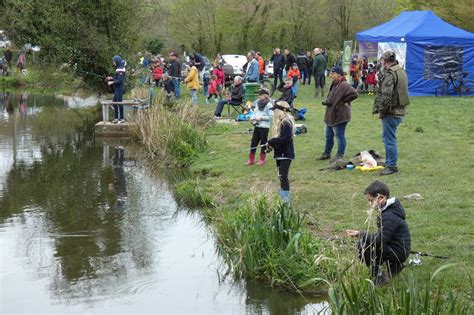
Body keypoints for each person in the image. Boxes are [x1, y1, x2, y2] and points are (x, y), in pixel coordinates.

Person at [346, 180, 411, 286]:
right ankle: (395, 266)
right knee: (366, 243)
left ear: (381, 198)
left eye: (371, 200)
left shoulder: (389, 215)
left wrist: (360, 234)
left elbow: (380, 240)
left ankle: (379, 277)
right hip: (397, 248)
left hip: (399, 252)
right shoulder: (388, 210)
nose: (370, 203)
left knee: (362, 246)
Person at [373, 51, 410, 175]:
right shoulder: (400, 70)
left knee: (389, 139)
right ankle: (389, 162)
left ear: (385, 61)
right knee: (389, 138)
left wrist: (381, 112)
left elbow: (386, 96)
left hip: (391, 112)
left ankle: (392, 166)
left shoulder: (390, 74)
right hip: (399, 110)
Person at [318, 66, 358, 161]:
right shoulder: (335, 83)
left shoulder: (344, 85)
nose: (331, 75)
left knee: (339, 136)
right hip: (331, 114)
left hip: (340, 115)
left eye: (333, 73)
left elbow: (355, 94)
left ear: (339, 75)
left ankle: (340, 155)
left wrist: (344, 101)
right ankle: (327, 153)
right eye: (331, 73)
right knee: (328, 136)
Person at [267, 101, 295, 204]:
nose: (273, 112)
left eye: (275, 110)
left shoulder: (286, 123)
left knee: (283, 176)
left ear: (281, 111)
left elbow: (285, 139)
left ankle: (286, 202)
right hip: (280, 154)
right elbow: (279, 140)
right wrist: (271, 145)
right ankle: (283, 198)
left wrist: (271, 141)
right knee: (280, 176)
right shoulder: (281, 122)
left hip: (285, 154)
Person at [245, 88, 273, 166]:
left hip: (264, 128)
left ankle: (262, 159)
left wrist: (261, 118)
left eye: (260, 95)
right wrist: (252, 118)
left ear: (265, 95)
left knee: (263, 144)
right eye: (258, 95)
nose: (258, 96)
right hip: (257, 126)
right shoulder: (257, 103)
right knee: (253, 142)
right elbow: (255, 112)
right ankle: (251, 159)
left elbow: (271, 117)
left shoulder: (269, 105)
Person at [106, 55, 126, 123]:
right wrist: (111, 78)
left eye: (114, 61)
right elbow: (117, 78)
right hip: (117, 88)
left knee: (119, 103)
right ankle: (116, 118)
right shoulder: (118, 68)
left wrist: (111, 82)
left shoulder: (120, 69)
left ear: (117, 61)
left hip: (120, 88)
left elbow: (120, 80)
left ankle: (122, 118)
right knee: (114, 103)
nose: (113, 63)